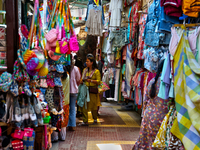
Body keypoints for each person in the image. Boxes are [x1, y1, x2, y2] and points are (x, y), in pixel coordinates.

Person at [133, 60, 171, 150]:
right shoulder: (170, 84)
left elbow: (145, 100)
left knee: (146, 143)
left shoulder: (152, 81)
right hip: (162, 118)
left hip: (148, 116)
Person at [79, 53, 101, 126]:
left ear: (92, 63)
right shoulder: (85, 70)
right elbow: (82, 78)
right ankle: (85, 121)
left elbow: (99, 81)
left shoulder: (96, 71)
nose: (86, 62)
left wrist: (91, 81)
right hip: (85, 90)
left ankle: (95, 118)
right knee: (84, 105)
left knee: (93, 106)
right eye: (86, 61)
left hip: (92, 91)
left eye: (88, 61)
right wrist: (81, 81)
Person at [68, 55, 81, 131]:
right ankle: (72, 125)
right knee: (72, 108)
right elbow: (78, 79)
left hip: (66, 91)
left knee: (66, 108)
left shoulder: (65, 68)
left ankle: (66, 125)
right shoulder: (75, 68)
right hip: (74, 91)